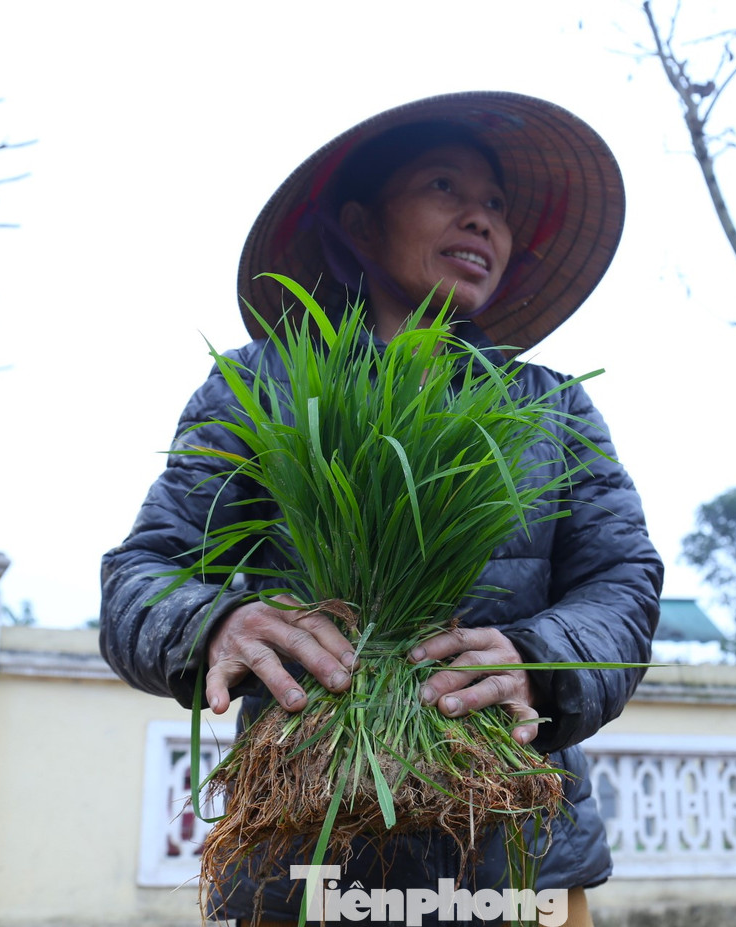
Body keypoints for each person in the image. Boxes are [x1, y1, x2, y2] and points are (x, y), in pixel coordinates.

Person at [100, 91, 663, 926]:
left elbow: (624, 582)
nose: (482, 220)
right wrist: (216, 624)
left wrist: (538, 661)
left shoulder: (551, 408)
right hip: (305, 863)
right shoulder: (263, 386)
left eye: (498, 207)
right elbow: (139, 576)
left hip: (518, 861)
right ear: (360, 225)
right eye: (445, 186)